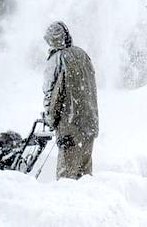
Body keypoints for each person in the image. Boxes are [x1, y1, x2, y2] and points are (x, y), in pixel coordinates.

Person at [42, 21, 99, 179]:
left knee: (66, 178)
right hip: (89, 124)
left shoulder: (57, 59)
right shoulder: (82, 54)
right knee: (85, 176)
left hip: (70, 125)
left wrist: (50, 117)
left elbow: (51, 92)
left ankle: (66, 203)